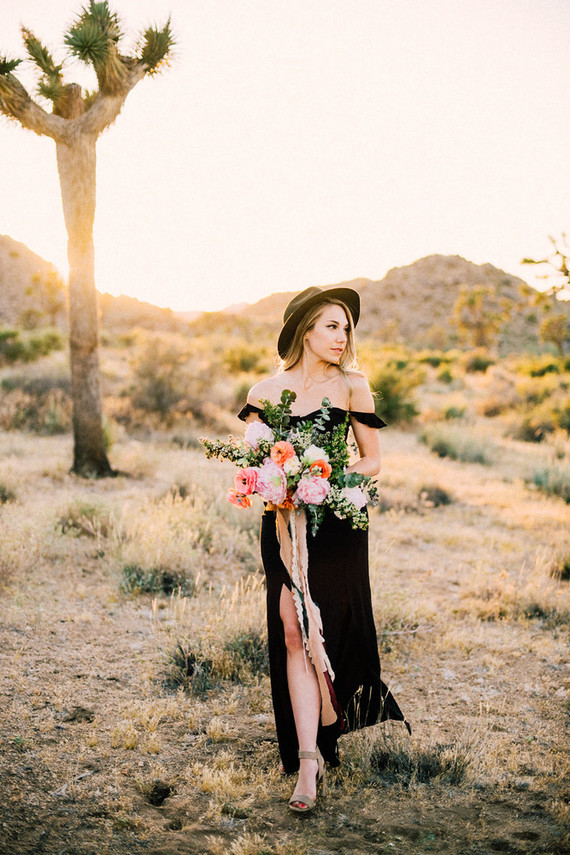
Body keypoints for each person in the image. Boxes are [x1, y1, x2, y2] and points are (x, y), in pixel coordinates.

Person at [238, 286, 410, 813]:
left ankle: (332, 722)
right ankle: (308, 760)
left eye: (346, 329)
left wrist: (325, 482)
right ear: (305, 329)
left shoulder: (355, 387)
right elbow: (255, 460)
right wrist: (277, 482)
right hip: (285, 525)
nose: (341, 337)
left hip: (337, 525)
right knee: (293, 629)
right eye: (331, 326)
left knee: (325, 630)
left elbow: (372, 459)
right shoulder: (265, 390)